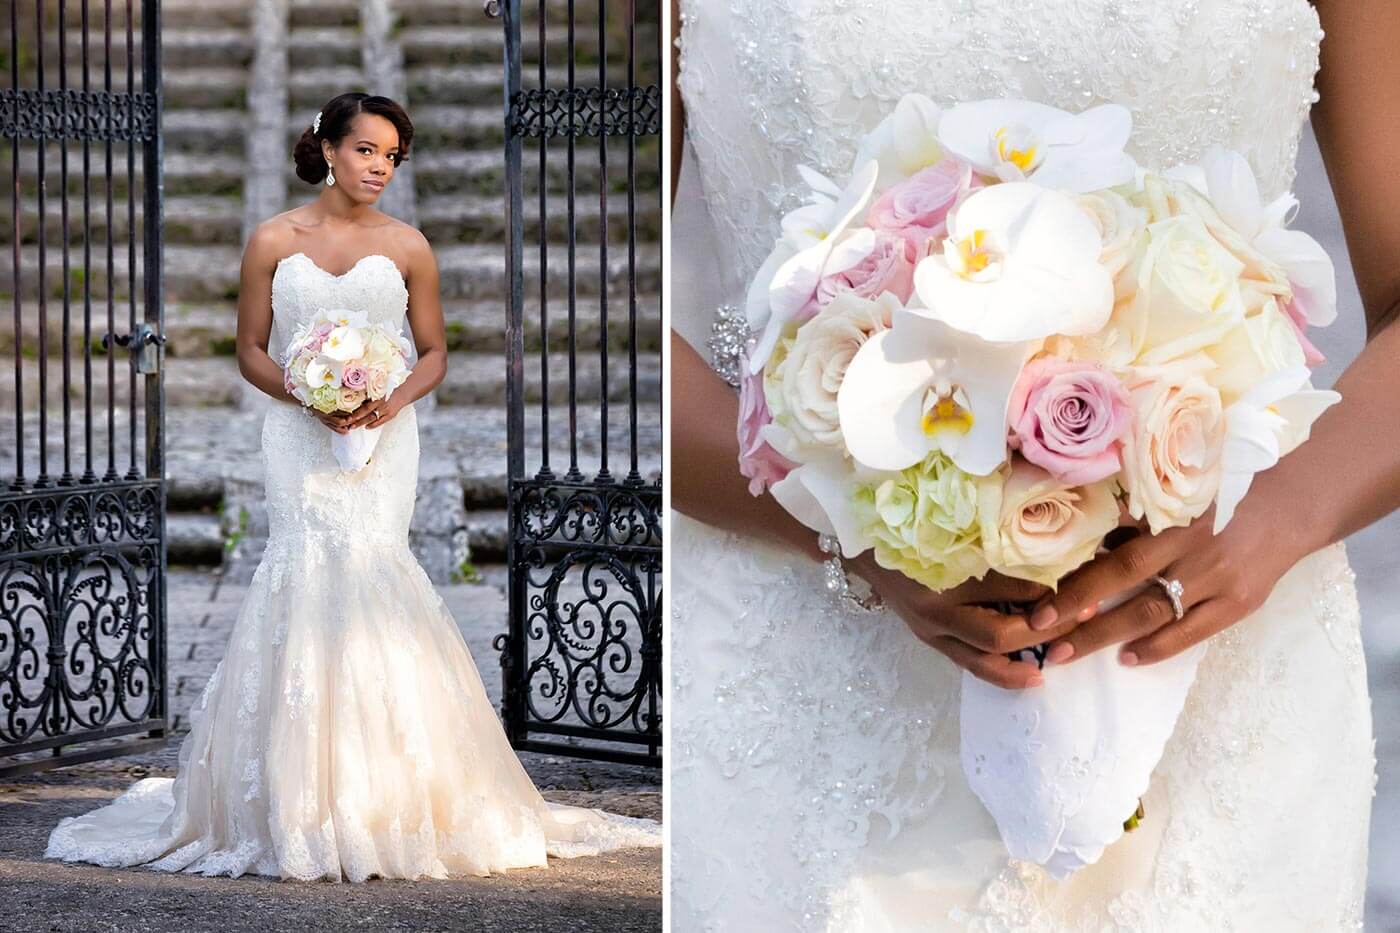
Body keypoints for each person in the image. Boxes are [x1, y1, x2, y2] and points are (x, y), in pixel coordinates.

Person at [670, 1, 1392, 928]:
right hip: (799, 701)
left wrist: (1278, 514)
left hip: (1220, 672)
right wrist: (842, 526)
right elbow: (599, 317)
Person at [44, 92, 659, 882]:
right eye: (367, 149)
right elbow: (250, 350)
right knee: (301, 567)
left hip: (383, 435)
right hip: (298, 433)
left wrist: (386, 399)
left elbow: (432, 350)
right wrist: (308, 395)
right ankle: (296, 797)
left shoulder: (410, 246)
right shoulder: (272, 239)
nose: (381, 168)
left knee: (374, 566)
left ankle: (389, 792)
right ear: (328, 148)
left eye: (393, 156)